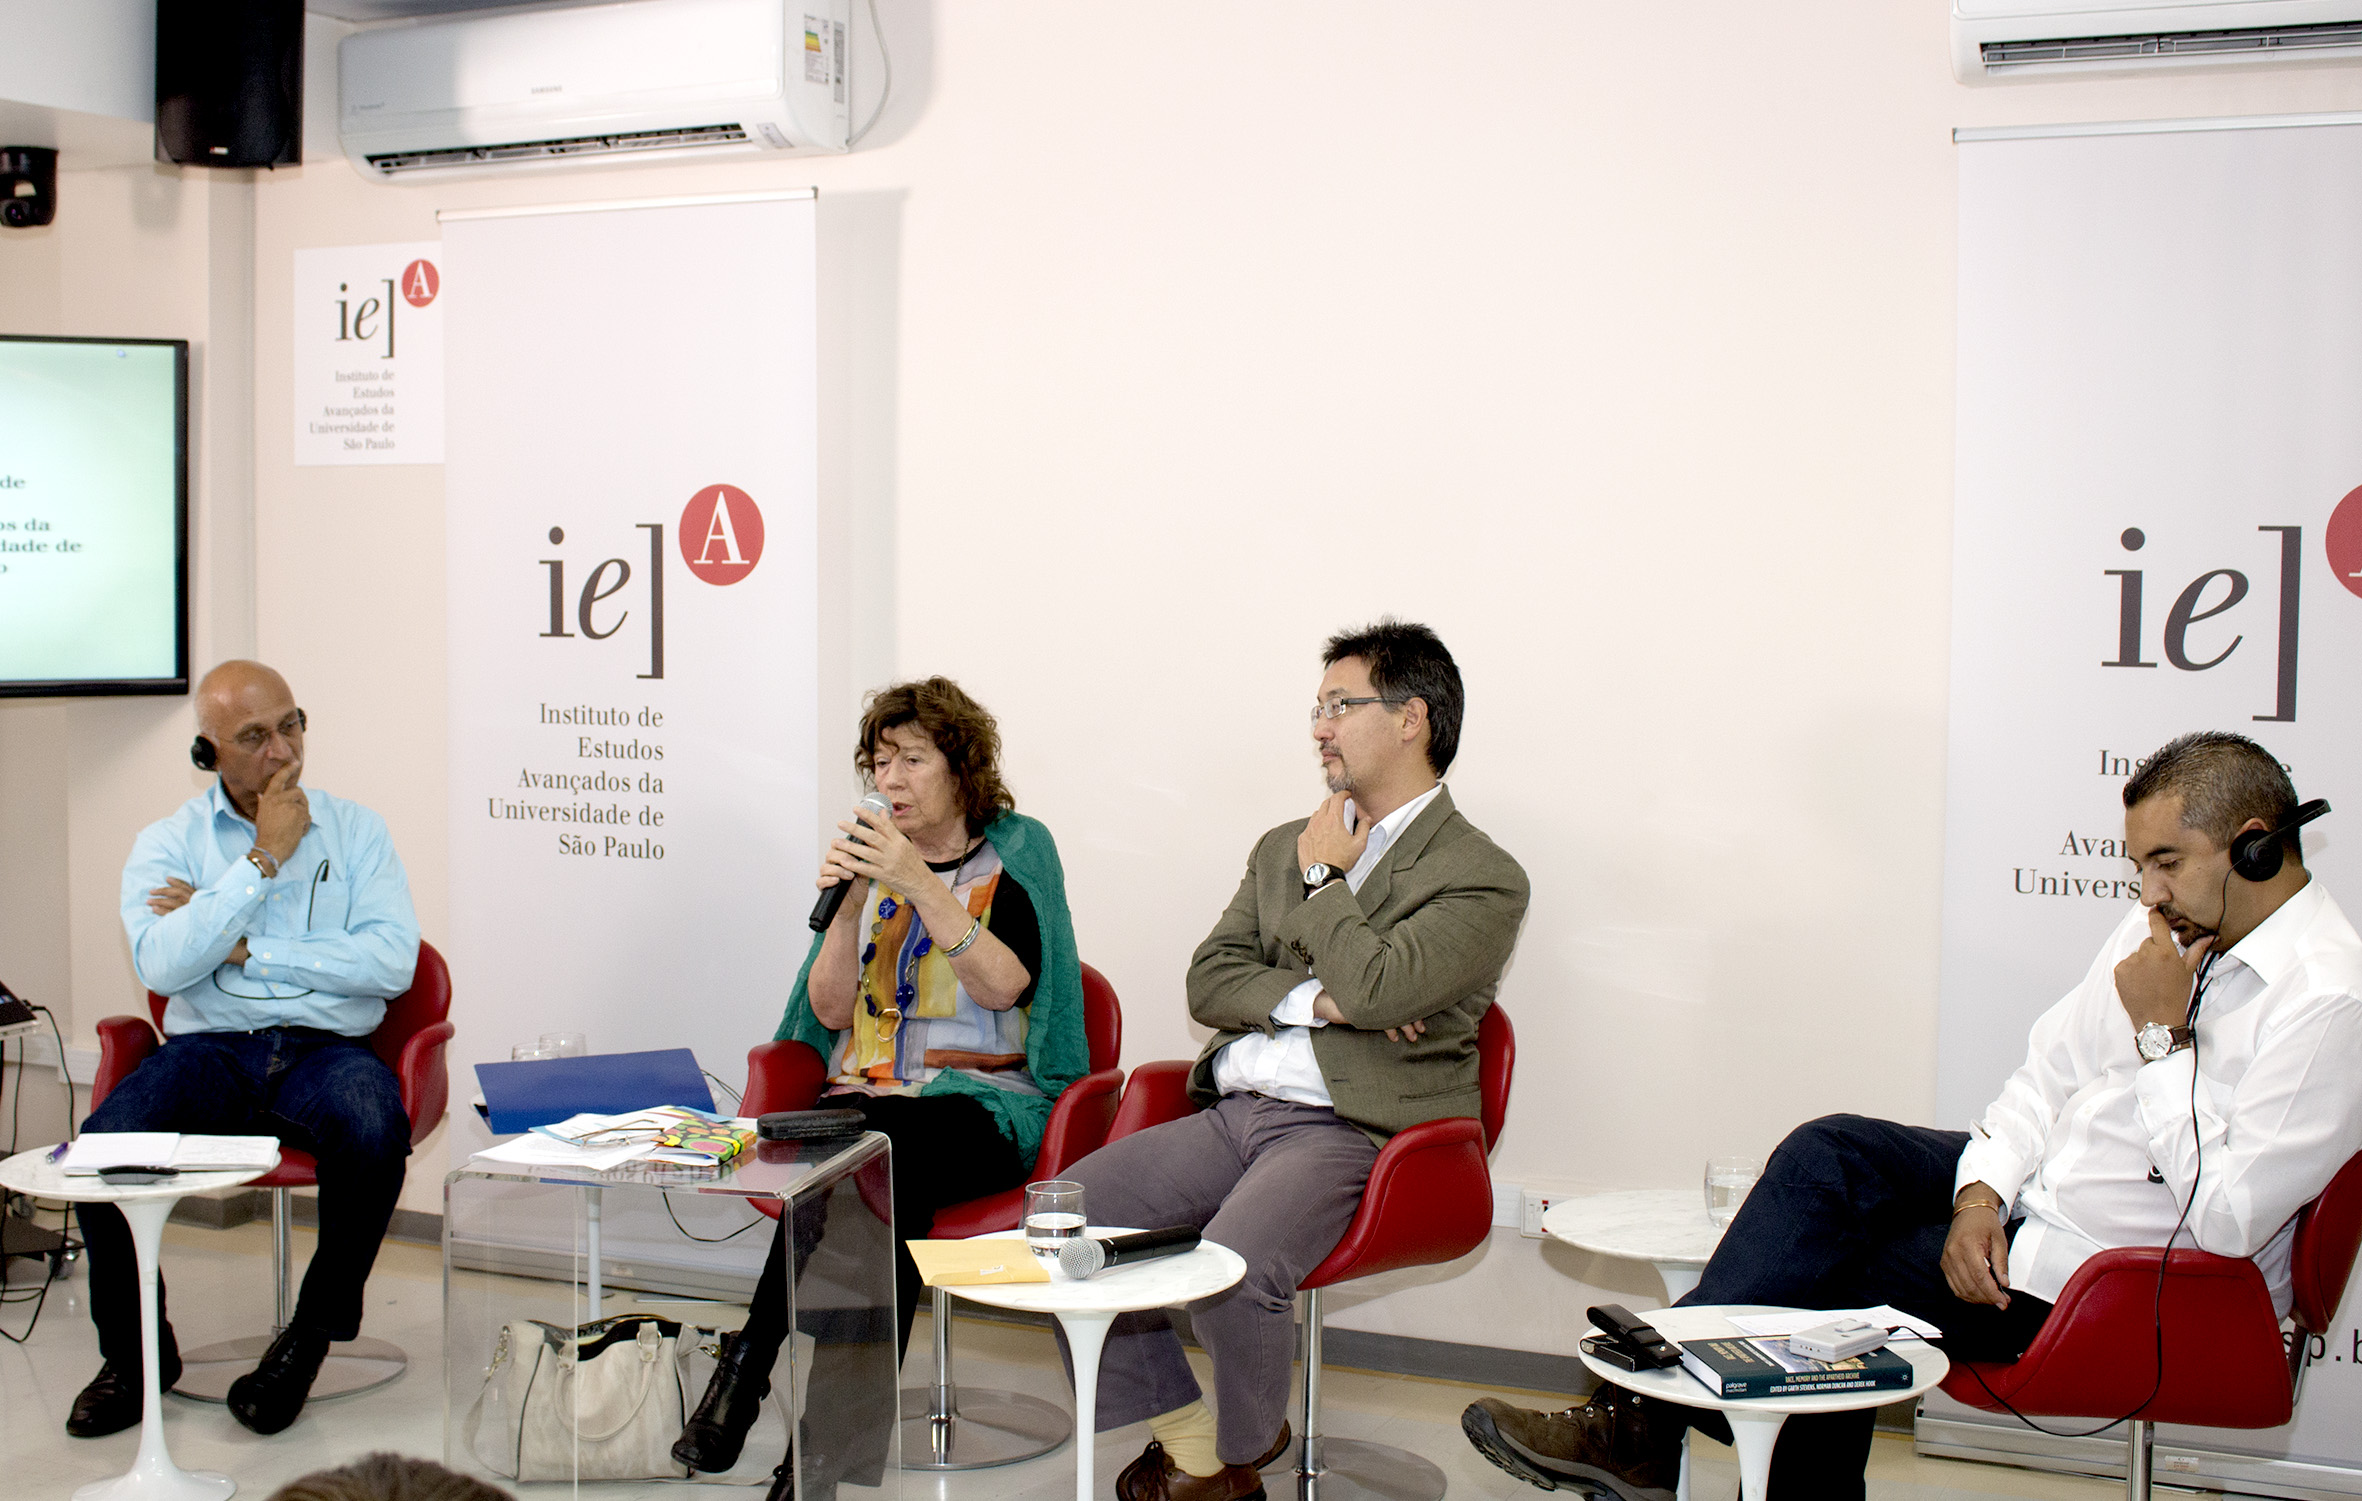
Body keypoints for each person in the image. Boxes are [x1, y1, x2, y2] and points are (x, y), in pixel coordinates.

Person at [1463, 730, 2362, 1501]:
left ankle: (1639, 1425)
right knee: (1829, 1153)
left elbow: (2230, 1220)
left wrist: (2164, 1042)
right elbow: (2043, 1080)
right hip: (2039, 1197)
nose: (2147, 894)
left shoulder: (2328, 999)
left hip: (2120, 1274)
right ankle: (1644, 1427)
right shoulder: (2165, 930)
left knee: (1825, 1289)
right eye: (2138, 867)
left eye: (2167, 863)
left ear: (2254, 848)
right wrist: (1979, 1196)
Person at [1055, 619, 1529, 1501]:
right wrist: (1322, 1000)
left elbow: (1380, 989)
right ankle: (1194, 1439)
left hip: (1355, 1129)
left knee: (1231, 1271)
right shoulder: (1285, 843)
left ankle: (1238, 1459)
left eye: (1339, 706)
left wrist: (1325, 885)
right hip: (1237, 1110)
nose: (1319, 727)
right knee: (1065, 1220)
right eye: (1317, 708)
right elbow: (1210, 979)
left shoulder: (1481, 874)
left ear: (1411, 718)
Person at [670, 676, 1089, 1496]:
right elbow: (830, 1010)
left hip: (985, 1109)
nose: (888, 778)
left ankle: (747, 1369)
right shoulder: (872, 861)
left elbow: (1005, 985)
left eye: (910, 759)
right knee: (872, 1168)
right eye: (878, 761)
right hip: (872, 1111)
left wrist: (920, 881)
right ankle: (818, 1463)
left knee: (867, 1152)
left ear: (961, 768)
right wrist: (851, 905)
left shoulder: (1017, 852)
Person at [74, 660, 421, 1440]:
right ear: (208, 751)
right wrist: (261, 860)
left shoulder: (358, 831)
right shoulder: (167, 842)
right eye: (256, 735)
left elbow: (390, 962)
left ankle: (306, 1341)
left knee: (374, 1128)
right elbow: (163, 965)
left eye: (292, 724)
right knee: (99, 1152)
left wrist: (241, 946)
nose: (283, 749)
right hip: (212, 1048)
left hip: (328, 1049)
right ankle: (135, 1358)